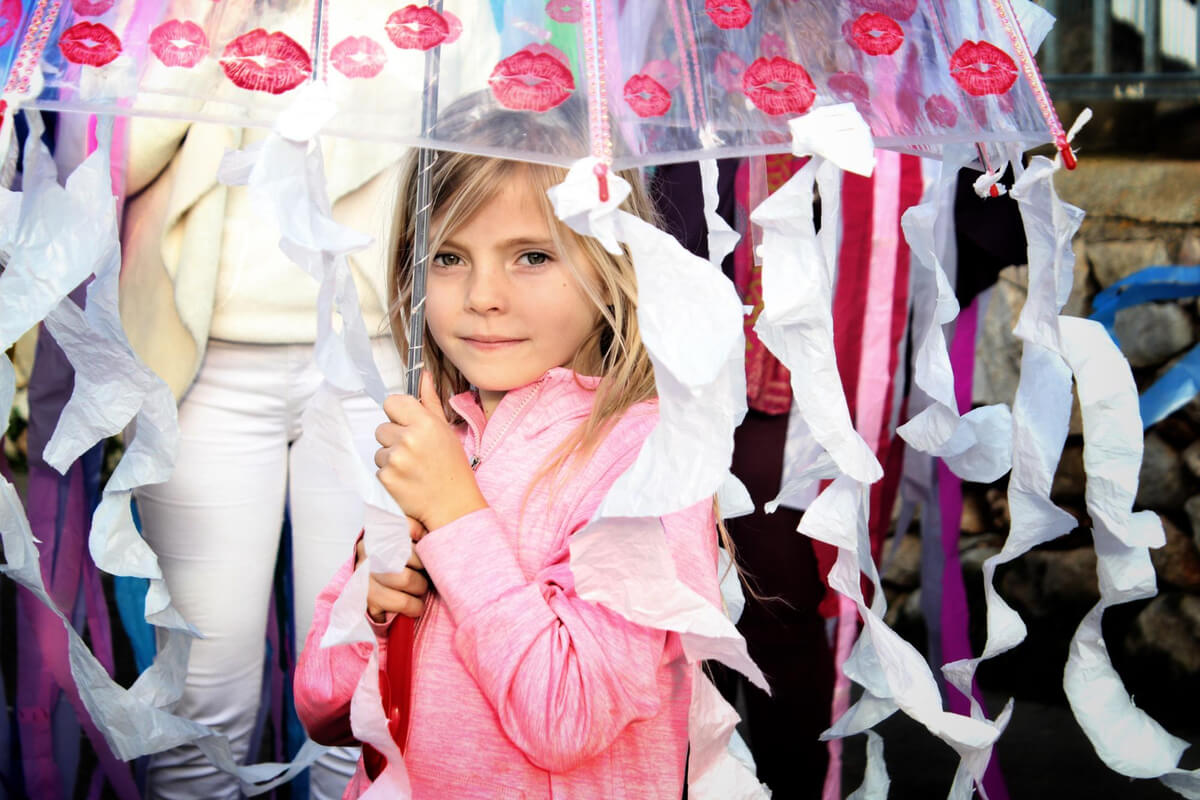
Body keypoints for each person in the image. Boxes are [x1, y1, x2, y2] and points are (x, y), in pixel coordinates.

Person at [294, 133, 729, 796]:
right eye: (448, 257)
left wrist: (455, 514)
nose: (482, 295)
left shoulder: (646, 462)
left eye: (530, 256)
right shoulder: (437, 438)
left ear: (613, 266)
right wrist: (370, 610)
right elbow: (323, 711)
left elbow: (569, 717)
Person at [117, 114, 406, 800]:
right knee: (201, 692)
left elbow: (465, 149)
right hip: (203, 356)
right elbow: (115, 158)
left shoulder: (431, 11)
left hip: (374, 358)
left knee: (360, 688)